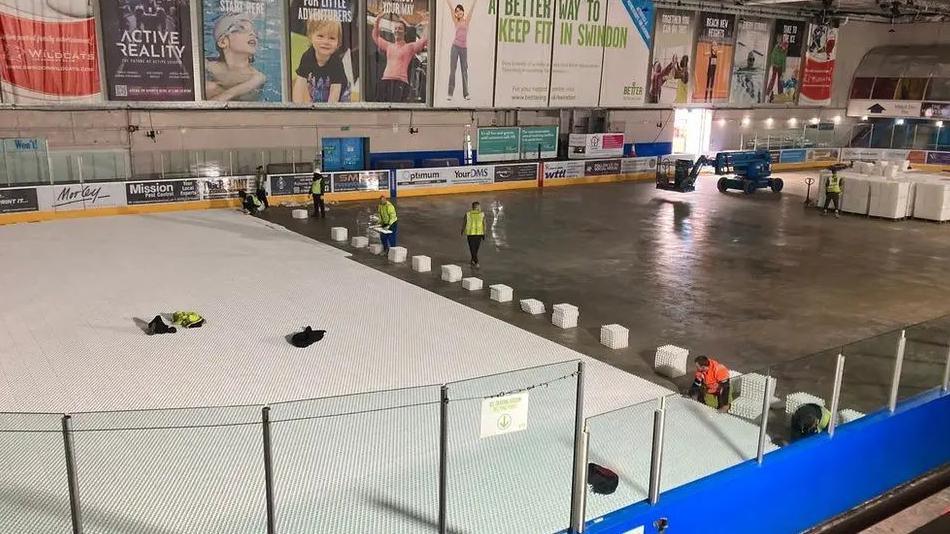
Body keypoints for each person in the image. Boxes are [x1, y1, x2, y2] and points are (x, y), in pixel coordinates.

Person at [205, 14, 266, 102]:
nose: (253, 34)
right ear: (223, 42)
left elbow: (228, 95)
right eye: (241, 29)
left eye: (254, 32)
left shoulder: (257, 77)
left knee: (210, 87)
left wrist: (215, 89)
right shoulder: (209, 65)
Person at [373, 12, 429, 102]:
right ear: (392, 31)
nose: (397, 30)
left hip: (400, 82)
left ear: (405, 32)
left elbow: (424, 40)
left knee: (397, 111)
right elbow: (376, 37)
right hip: (386, 80)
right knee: (382, 111)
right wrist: (377, 20)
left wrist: (427, 22)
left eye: (400, 29)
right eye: (395, 29)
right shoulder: (389, 46)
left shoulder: (409, 47)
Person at [293, 19, 348, 103]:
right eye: (320, 36)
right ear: (311, 37)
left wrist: (328, 113)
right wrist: (298, 108)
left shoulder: (336, 62)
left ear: (338, 43)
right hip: (317, 86)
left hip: (339, 92)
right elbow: (300, 83)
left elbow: (335, 91)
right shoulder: (307, 57)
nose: (326, 42)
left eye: (332, 38)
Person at [446, 0, 476, 101]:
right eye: (457, 11)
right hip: (455, 47)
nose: (458, 12)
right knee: (452, 70)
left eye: (460, 11)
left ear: (463, 12)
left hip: (464, 48)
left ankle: (466, 93)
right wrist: (449, 3)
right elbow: (451, 9)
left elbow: (471, 10)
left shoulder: (466, 21)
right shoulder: (456, 21)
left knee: (464, 71)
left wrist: (474, 2)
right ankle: (450, 93)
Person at [461, 201, 485, 268]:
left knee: (473, 248)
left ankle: (473, 259)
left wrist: (462, 231)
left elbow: (464, 223)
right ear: (477, 207)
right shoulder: (482, 214)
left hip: (471, 234)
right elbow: (484, 224)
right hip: (479, 234)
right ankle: (476, 261)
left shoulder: (467, 214)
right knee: (475, 248)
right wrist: (484, 233)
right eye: (479, 206)